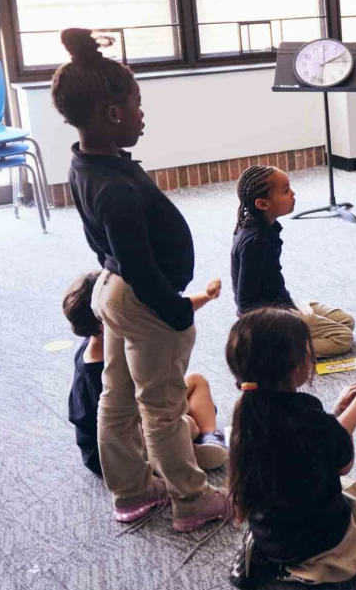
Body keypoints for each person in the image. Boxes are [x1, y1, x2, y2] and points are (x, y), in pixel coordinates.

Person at [52, 27, 231, 532]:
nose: (141, 114)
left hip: (111, 291)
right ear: (112, 114)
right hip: (140, 298)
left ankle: (131, 492)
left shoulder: (89, 163)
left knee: (117, 393)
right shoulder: (114, 188)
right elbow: (141, 266)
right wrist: (175, 312)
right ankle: (191, 500)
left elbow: (110, 250)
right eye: (136, 105)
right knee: (162, 405)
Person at [224, 307, 356, 590]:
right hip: (321, 536)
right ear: (297, 365)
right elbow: (342, 464)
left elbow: (316, 441)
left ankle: (280, 555)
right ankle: (315, 568)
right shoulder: (307, 417)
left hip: (275, 528)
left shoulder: (248, 411)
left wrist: (336, 412)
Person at [62, 270, 227, 476]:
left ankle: (209, 438)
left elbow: (167, 311)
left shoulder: (109, 336)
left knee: (197, 381)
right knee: (188, 424)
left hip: (141, 413)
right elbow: (122, 425)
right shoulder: (99, 371)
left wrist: (206, 295)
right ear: (104, 320)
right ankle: (183, 454)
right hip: (111, 451)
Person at [230, 165, 355, 358]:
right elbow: (245, 303)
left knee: (346, 321)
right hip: (270, 319)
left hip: (283, 302)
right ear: (263, 204)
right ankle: (275, 349)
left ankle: (287, 338)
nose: (293, 194)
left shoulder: (266, 228)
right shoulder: (255, 241)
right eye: (285, 191)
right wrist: (286, 321)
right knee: (342, 338)